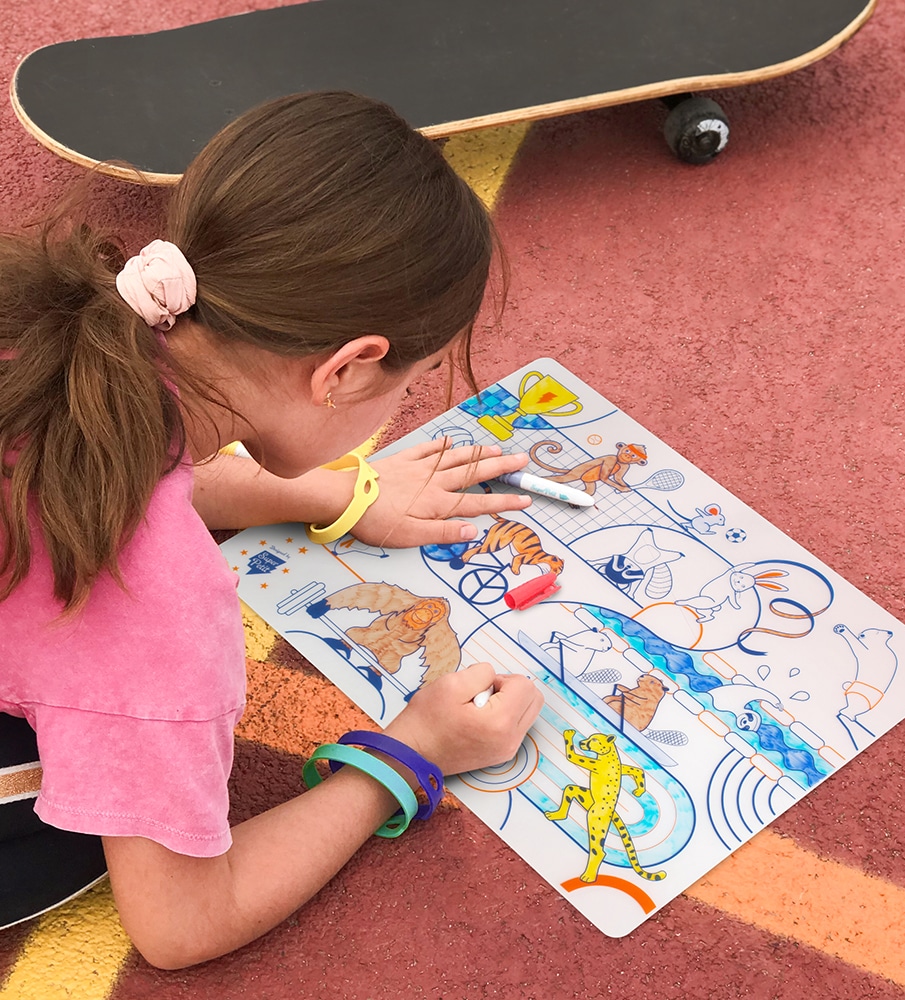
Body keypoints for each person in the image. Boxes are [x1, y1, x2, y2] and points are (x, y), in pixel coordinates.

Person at [0, 91, 544, 967]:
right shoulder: (162, 605)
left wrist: (329, 493)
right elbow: (182, 924)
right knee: (66, 829)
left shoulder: (54, 325)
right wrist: (409, 754)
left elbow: (110, 463)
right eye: (418, 376)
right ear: (348, 368)